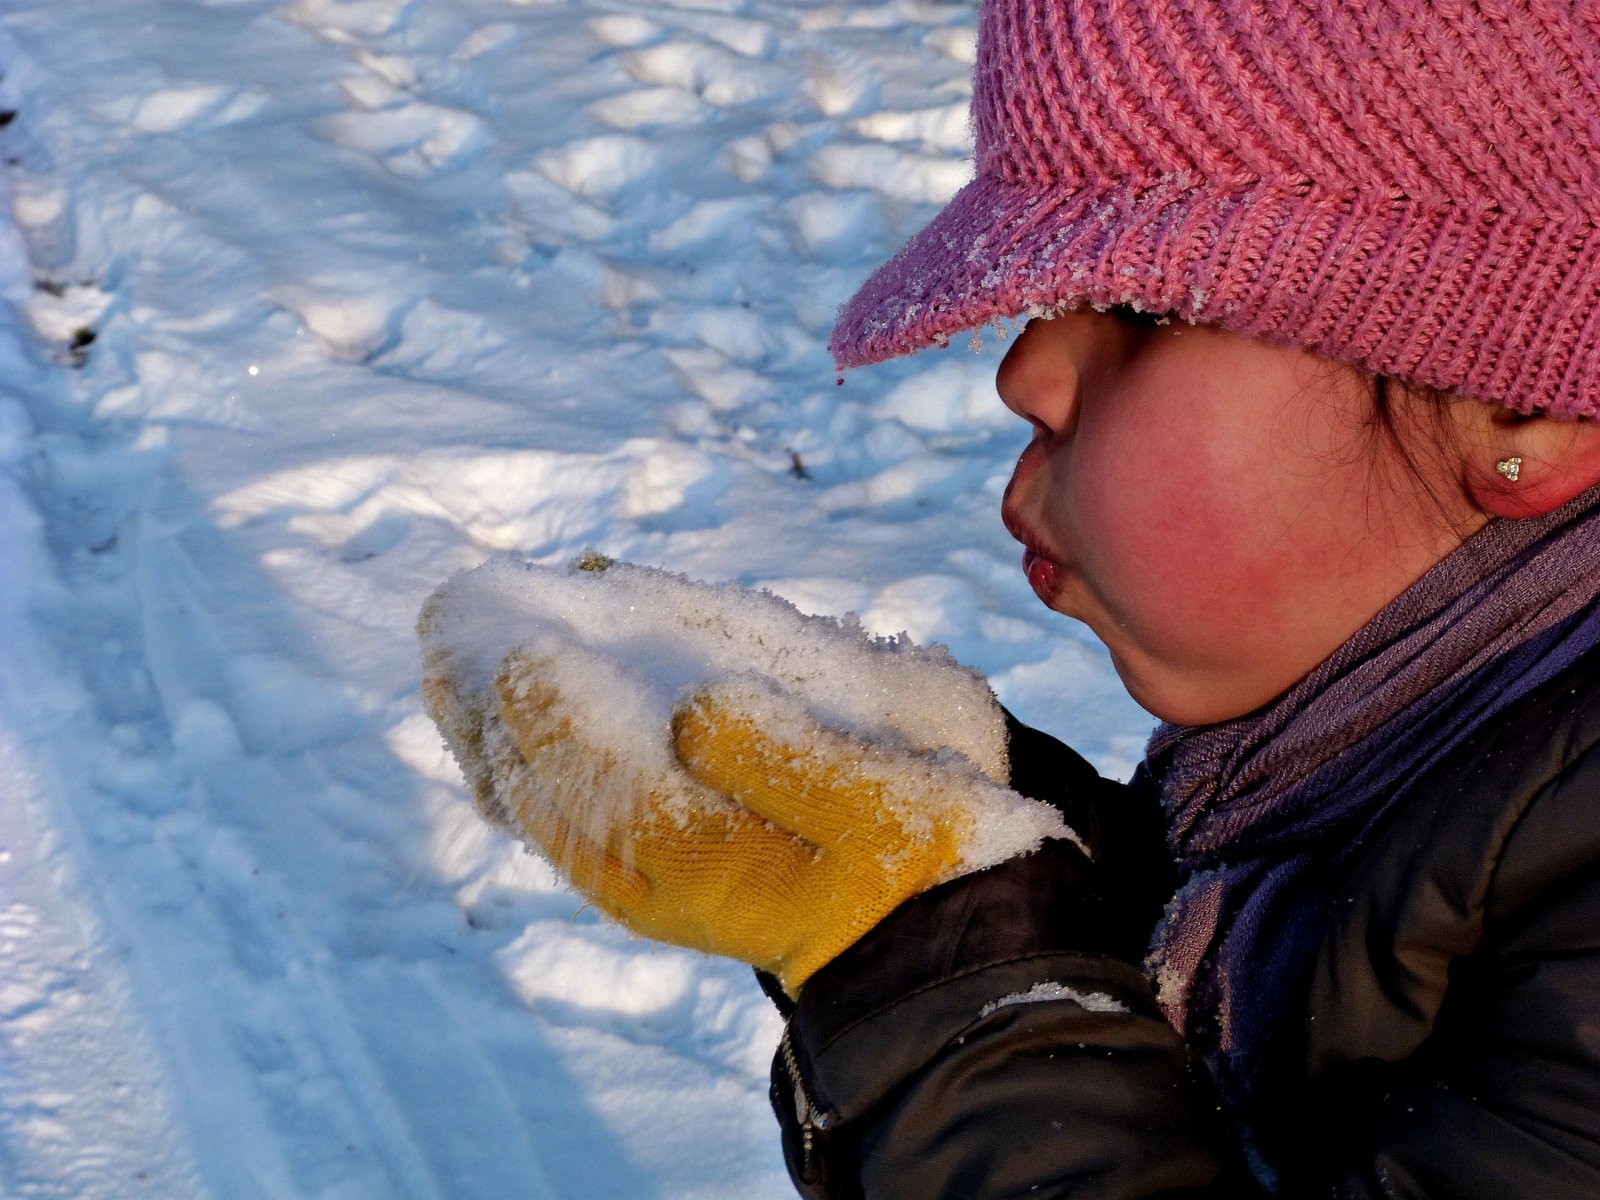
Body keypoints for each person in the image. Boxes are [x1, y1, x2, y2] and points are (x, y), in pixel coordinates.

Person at [452, 0, 1600, 1194]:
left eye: (1148, 308)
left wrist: (945, 1001)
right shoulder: (1377, 759)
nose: (1022, 372)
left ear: (1513, 403)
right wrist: (985, 845)